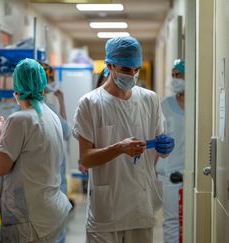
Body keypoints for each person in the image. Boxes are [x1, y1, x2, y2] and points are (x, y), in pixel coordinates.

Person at [72, 36, 175, 243]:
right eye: (126, 70)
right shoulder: (90, 104)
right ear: (109, 65)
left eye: (136, 69)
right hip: (106, 211)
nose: (132, 75)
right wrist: (119, 147)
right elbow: (86, 159)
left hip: (140, 206)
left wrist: (164, 147)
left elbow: (158, 148)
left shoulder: (149, 99)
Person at [0, 58, 72, 242]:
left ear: (16, 90)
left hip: (29, 222)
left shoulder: (20, 120)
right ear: (43, 87)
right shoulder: (52, 116)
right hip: (50, 214)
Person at [39, 61, 71, 243]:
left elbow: (66, 131)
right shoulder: (42, 111)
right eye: (48, 79)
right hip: (46, 185)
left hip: (50, 184)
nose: (50, 83)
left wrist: (61, 102)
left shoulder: (49, 109)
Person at [156, 59, 185, 243]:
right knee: (171, 223)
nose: (175, 79)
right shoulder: (164, 105)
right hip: (169, 176)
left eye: (179, 75)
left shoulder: (202, 106)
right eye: (173, 75)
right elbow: (155, 139)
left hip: (194, 177)